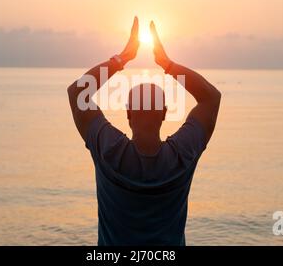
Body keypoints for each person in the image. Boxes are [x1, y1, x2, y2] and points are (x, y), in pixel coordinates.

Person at [67, 17, 221, 245]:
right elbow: (211, 97)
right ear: (165, 113)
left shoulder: (110, 151)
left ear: (128, 113)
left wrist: (122, 58)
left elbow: (77, 92)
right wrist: (167, 64)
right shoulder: (181, 156)